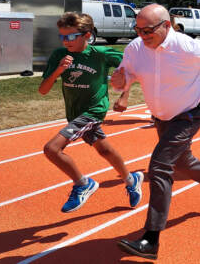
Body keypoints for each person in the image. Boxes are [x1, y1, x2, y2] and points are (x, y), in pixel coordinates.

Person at [112, 4, 200, 260]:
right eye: (138, 29)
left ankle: (151, 239)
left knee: (159, 167)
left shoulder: (187, 47)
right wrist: (120, 83)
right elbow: (126, 74)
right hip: (162, 116)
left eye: (148, 30)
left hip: (190, 113)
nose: (142, 35)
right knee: (181, 160)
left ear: (166, 26)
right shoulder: (135, 48)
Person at [38, 12, 143, 213]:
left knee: (52, 149)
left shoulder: (100, 54)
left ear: (87, 35)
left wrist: (124, 96)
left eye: (70, 36)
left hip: (93, 111)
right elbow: (43, 90)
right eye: (62, 36)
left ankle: (82, 184)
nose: (65, 41)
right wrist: (59, 71)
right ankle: (132, 180)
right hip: (75, 113)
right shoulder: (59, 55)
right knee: (104, 150)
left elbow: (129, 68)